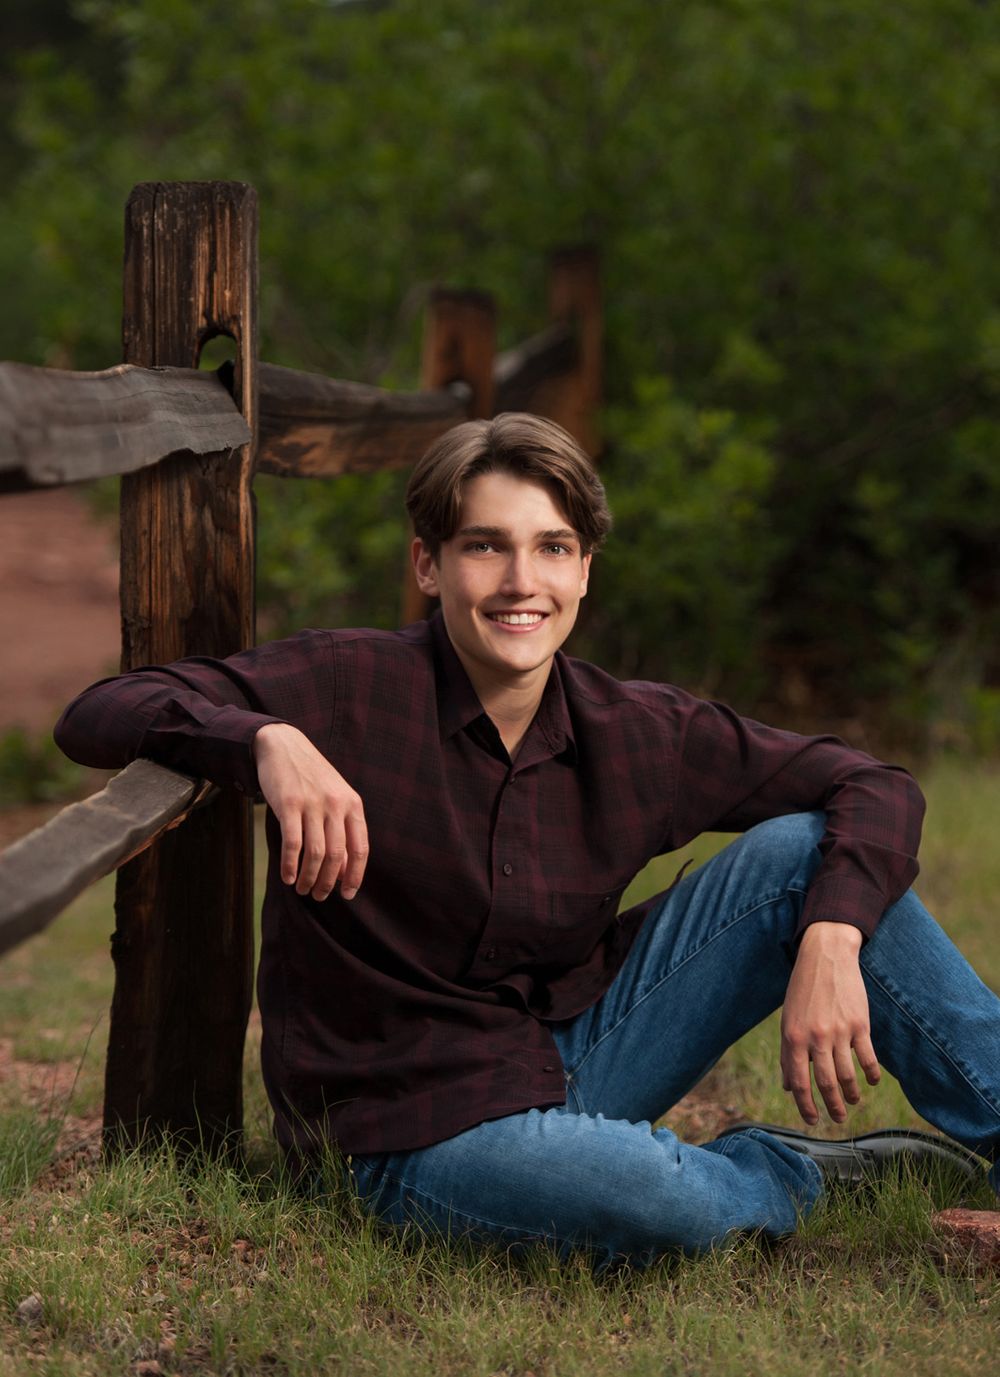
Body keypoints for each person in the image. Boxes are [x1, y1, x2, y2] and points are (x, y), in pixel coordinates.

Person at [55, 412, 1000, 1268]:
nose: (521, 582)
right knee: (653, 1198)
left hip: (572, 1057)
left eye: (553, 547)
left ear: (584, 568)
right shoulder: (345, 686)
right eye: (485, 547)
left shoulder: (636, 729)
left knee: (804, 851)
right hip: (401, 1128)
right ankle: (790, 1175)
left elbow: (872, 784)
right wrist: (264, 739)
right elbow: (101, 709)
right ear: (428, 564)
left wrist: (831, 935)